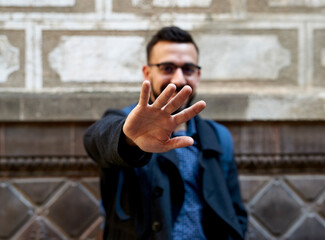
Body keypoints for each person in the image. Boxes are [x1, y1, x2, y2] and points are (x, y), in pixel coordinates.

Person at [83, 26, 248, 240]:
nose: (179, 79)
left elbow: (234, 211)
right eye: (167, 68)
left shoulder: (218, 137)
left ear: (198, 75)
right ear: (147, 72)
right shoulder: (124, 124)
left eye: (188, 69)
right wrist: (128, 139)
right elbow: (95, 140)